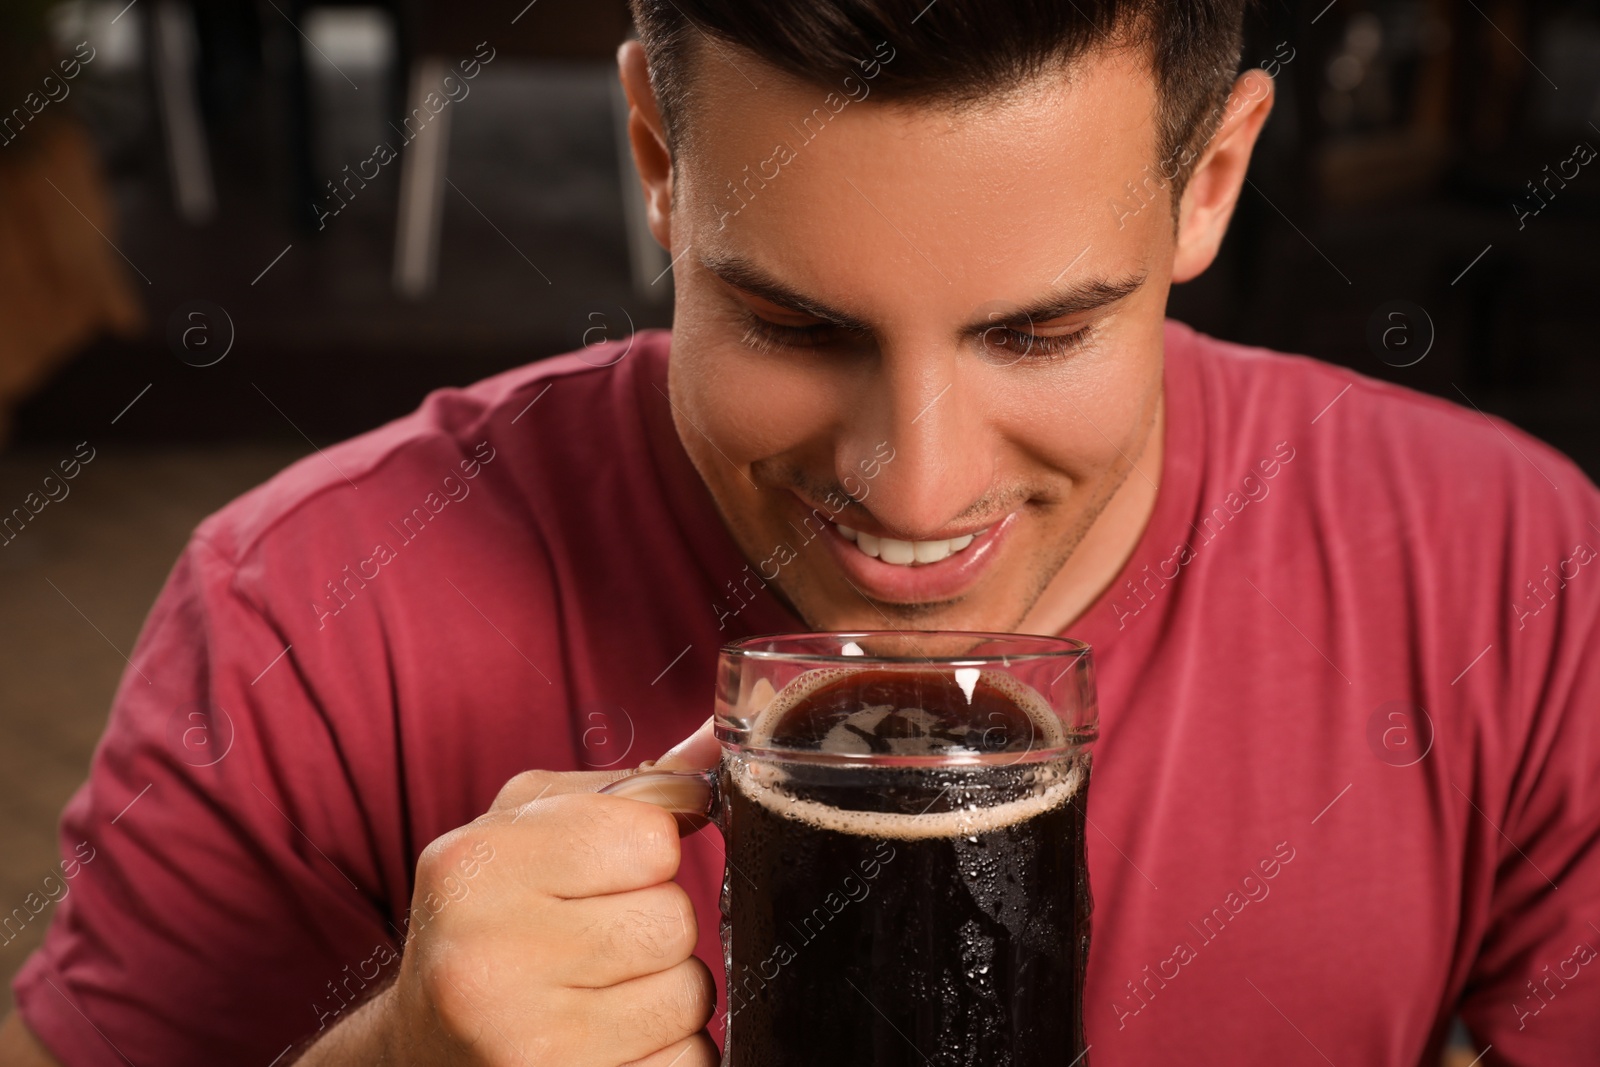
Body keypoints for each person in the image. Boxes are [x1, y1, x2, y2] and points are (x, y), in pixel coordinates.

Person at [4, 0, 1598, 1063]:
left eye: (1039, 336)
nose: (912, 494)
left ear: (1215, 179)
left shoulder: (1516, 579)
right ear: (656, 164)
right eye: (792, 326)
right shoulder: (299, 610)